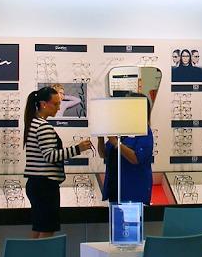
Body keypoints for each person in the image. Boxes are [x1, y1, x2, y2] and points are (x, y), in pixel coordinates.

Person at [23, 86, 92, 238]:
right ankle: (44, 254)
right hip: (45, 185)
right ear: (43, 104)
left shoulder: (33, 123)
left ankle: (32, 254)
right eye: (55, 104)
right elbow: (50, 156)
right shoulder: (43, 126)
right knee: (47, 229)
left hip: (36, 184)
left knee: (39, 227)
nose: (59, 107)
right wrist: (78, 148)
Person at [101, 95, 155, 205]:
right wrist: (100, 138)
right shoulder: (121, 129)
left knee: (130, 216)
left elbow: (136, 158)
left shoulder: (144, 132)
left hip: (133, 191)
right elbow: (104, 154)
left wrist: (116, 143)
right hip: (115, 189)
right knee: (116, 216)